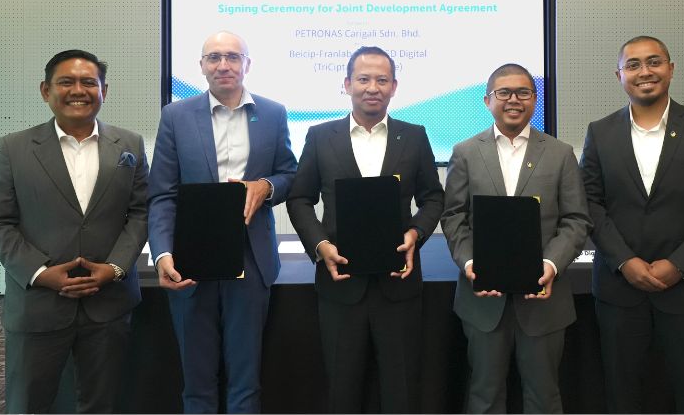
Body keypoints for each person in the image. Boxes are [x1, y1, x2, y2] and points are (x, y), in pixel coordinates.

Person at [579, 35, 684, 413]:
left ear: (671, 69)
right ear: (619, 75)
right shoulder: (600, 133)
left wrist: (679, 265)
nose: (644, 72)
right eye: (633, 65)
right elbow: (590, 204)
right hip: (621, 289)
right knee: (625, 393)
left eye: (653, 61)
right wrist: (624, 261)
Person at [0, 49, 148, 413]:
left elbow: (140, 214)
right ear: (45, 90)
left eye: (89, 82)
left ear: (105, 90)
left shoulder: (130, 144)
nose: (79, 90)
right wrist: (40, 273)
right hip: (38, 305)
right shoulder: (13, 148)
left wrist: (115, 268)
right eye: (66, 82)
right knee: (29, 403)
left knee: (101, 404)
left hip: (108, 304)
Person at [286, 46, 444, 413]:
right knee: (342, 391)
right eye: (363, 79)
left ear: (394, 87)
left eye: (382, 79)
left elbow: (434, 198)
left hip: (399, 284)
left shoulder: (415, 136)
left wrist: (415, 234)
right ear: (346, 84)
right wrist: (320, 244)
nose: (372, 87)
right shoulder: (320, 136)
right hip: (339, 282)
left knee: (401, 392)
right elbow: (299, 198)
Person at [147, 31, 297, 413]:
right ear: (201, 66)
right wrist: (163, 253)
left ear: (247, 64)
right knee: (196, 379)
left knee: (246, 378)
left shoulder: (274, 113)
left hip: (250, 255)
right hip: (190, 258)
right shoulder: (176, 116)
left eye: (233, 57)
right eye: (214, 57)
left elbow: (288, 174)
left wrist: (265, 186)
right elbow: (163, 193)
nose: (223, 65)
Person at [441, 63, 592, 413]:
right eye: (503, 92)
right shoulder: (465, 152)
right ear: (487, 100)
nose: (513, 100)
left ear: (535, 99)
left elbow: (576, 220)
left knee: (543, 396)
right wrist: (469, 262)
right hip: (482, 300)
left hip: (544, 299)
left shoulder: (560, 153)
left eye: (523, 92)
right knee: (484, 395)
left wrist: (551, 264)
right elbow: (453, 218)